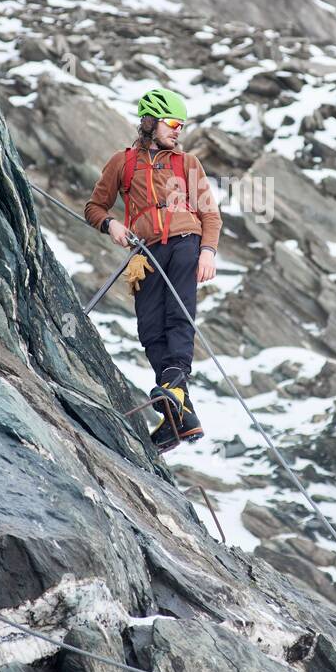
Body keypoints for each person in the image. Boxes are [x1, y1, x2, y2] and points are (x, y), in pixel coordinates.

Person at [84, 88, 222, 449]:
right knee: (148, 329)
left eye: (181, 125)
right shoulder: (123, 162)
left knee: (178, 314)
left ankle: (175, 385)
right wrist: (110, 224)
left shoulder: (187, 163)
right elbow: (95, 206)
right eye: (173, 124)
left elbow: (210, 214)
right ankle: (181, 415)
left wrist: (207, 252)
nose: (178, 131)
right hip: (144, 254)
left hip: (184, 242)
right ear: (151, 122)